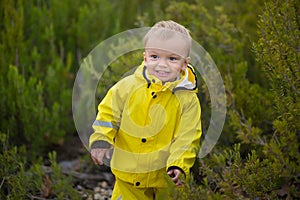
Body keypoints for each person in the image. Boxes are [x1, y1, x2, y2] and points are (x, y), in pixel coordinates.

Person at [89, 20, 202, 200]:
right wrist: (101, 139)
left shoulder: (188, 100)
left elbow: (188, 136)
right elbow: (107, 115)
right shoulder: (126, 87)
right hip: (128, 175)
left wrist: (179, 164)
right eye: (155, 56)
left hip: (165, 177)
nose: (162, 65)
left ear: (184, 64)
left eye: (172, 58)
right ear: (145, 57)